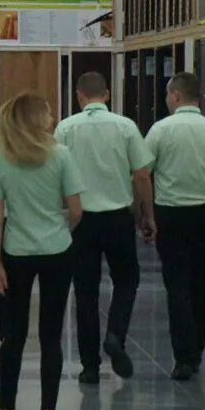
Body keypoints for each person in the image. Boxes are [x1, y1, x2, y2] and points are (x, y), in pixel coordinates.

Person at [0, 93, 82, 410]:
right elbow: (77, 208)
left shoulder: (1, 159)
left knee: (13, 334)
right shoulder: (60, 155)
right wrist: (61, 228)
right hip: (57, 250)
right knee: (51, 335)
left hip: (17, 251)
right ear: (38, 119)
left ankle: (7, 409)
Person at [56, 72, 152, 383]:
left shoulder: (66, 128)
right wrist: (146, 213)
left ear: (79, 96)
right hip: (117, 218)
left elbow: (56, 173)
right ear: (107, 94)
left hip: (80, 219)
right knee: (126, 281)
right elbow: (141, 175)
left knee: (85, 291)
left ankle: (89, 366)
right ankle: (115, 335)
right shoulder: (125, 127)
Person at [145, 73, 205, 380]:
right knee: (199, 284)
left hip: (170, 216)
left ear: (175, 96)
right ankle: (197, 349)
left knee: (177, 287)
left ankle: (183, 357)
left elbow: (142, 173)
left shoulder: (160, 130)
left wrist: (145, 216)